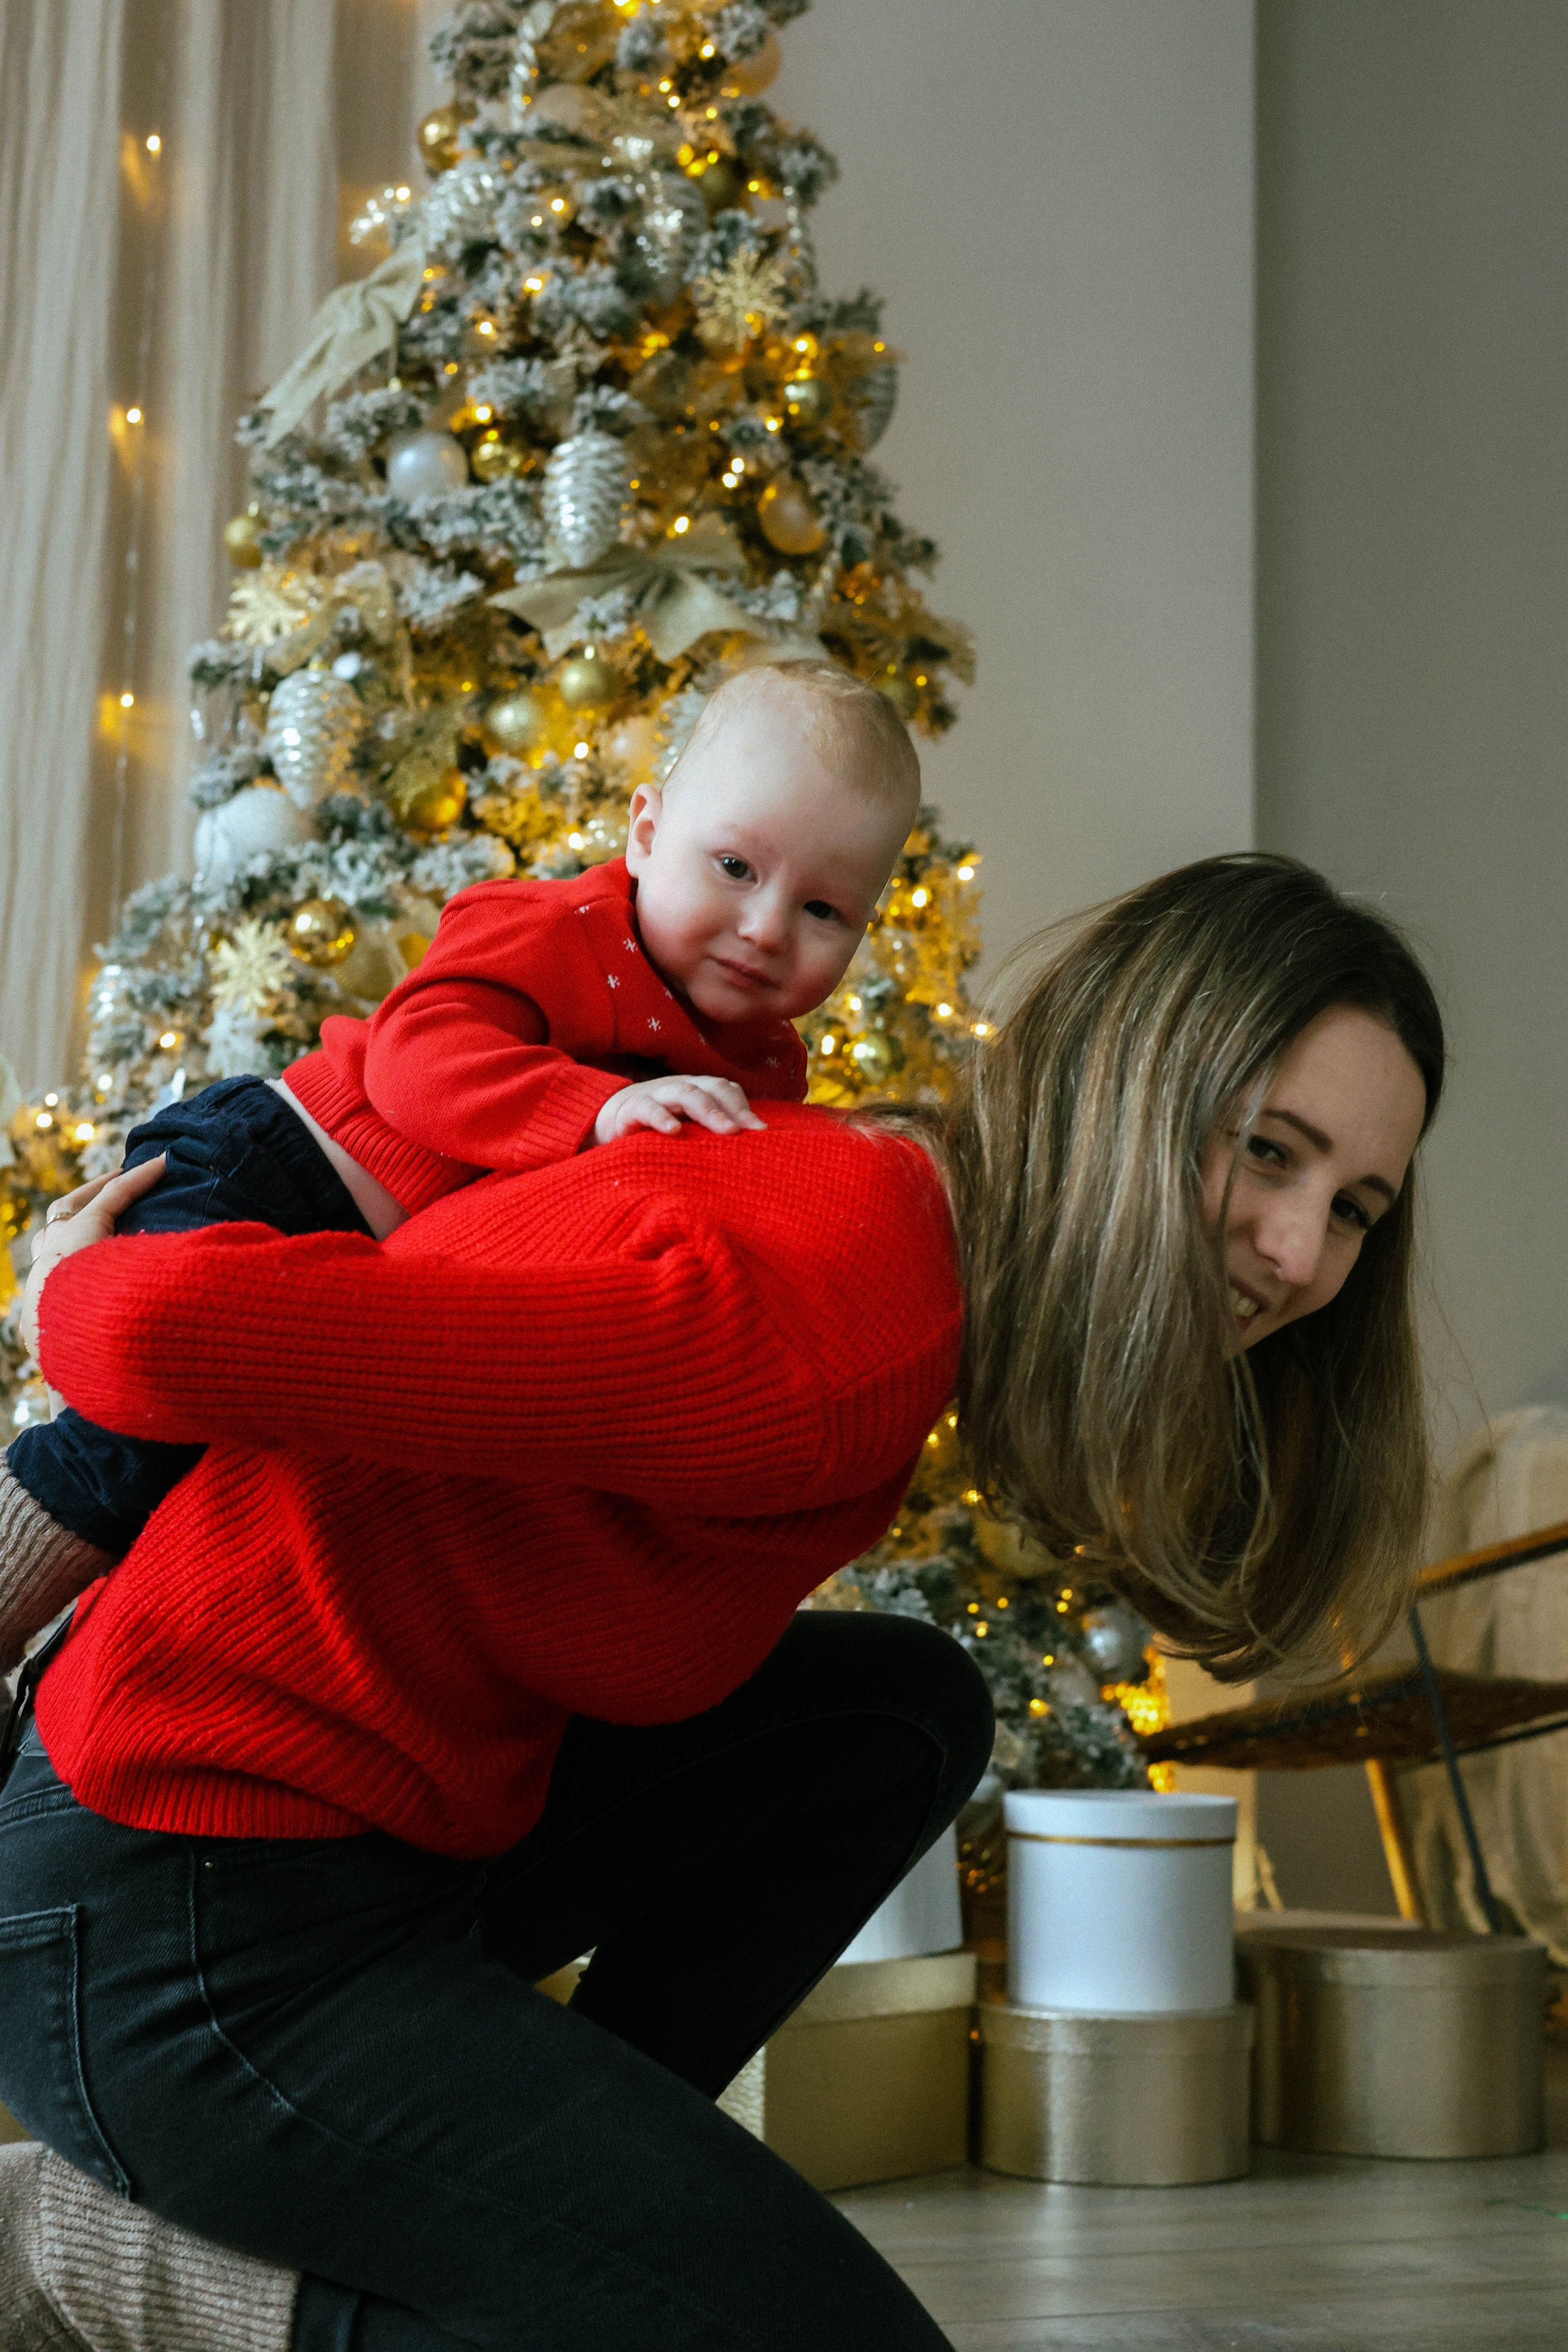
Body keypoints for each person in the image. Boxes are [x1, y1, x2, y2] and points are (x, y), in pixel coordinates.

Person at [0, 853, 1442, 2351]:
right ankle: (87, 2252)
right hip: (168, 1926)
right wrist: (68, 1290)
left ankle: (534, 2207)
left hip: (359, 1842)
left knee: (899, 1708)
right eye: (1267, 1152)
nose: (1296, 1252)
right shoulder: (826, 1311)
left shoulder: (894, 1203)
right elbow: (157, 1330)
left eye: (1352, 1208)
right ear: (1127, 1085)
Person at [0, 657, 921, 1669]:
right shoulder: (555, 927)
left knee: (224, 1498)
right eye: (736, 868)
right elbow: (418, 1056)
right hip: (275, 1165)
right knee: (132, 1442)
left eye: (824, 911)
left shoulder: (766, 1071)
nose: (764, 928)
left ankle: (62, 1680)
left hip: (374, 1260)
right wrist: (599, 1106)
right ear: (647, 834)